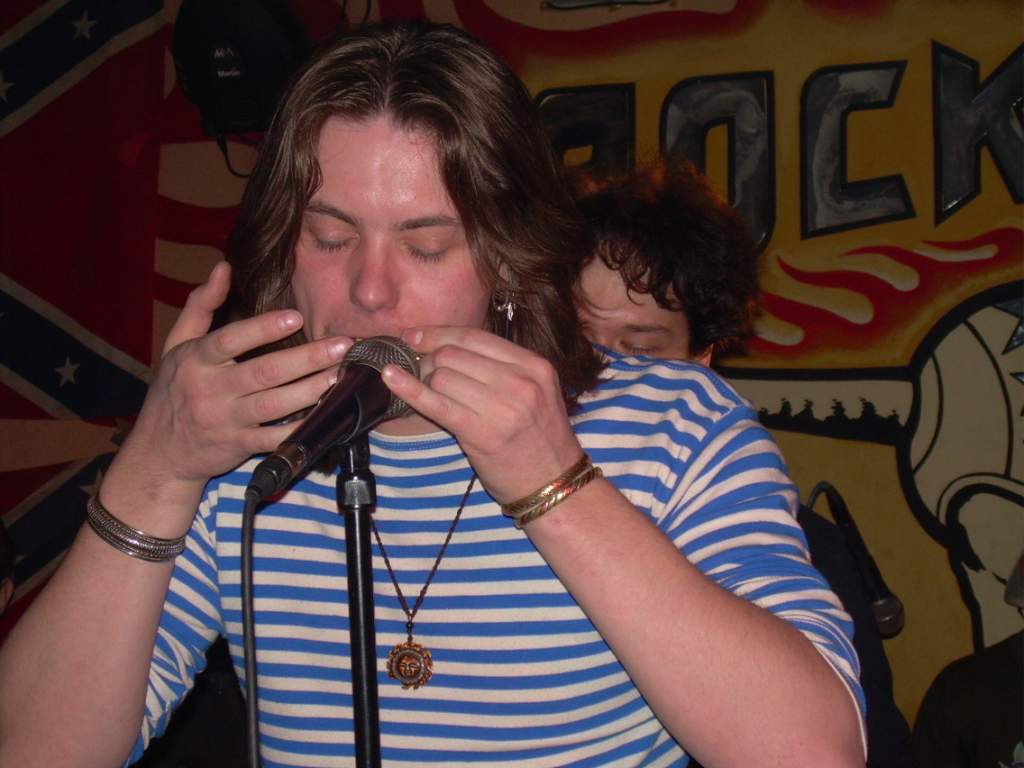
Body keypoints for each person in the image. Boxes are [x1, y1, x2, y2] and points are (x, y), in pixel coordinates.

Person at [0, 21, 865, 767]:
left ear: (508, 255)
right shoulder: (238, 452)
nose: (370, 290)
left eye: (426, 247)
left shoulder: (676, 422)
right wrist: (153, 472)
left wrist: (554, 485)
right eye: (329, 236)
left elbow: (813, 751)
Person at [573, 157, 913, 767]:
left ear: (700, 362)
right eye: (578, 340)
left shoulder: (805, 547)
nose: (605, 373)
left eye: (638, 350)